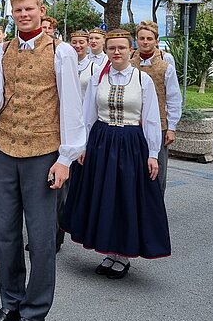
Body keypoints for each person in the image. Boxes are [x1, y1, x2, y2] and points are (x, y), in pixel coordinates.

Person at [0, 0, 86, 321]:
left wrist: (66, 157)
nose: (23, 14)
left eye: (29, 9)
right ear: (11, 12)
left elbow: (71, 107)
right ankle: (10, 302)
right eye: (18, 9)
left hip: (43, 153)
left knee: (39, 238)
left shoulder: (61, 51)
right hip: (4, 148)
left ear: (41, 10)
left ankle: (35, 312)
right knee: (5, 233)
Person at [62, 29, 171, 280]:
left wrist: (153, 152)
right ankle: (110, 251)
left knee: (125, 198)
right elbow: (87, 115)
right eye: (112, 48)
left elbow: (151, 118)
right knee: (104, 197)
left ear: (130, 49)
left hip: (131, 142)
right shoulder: (98, 79)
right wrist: (83, 146)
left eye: (122, 47)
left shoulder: (142, 80)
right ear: (106, 50)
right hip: (101, 141)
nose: (117, 52)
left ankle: (123, 254)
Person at [131, 21, 181, 194]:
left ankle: (156, 208)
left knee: (156, 169)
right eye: (142, 38)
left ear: (156, 40)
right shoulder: (130, 62)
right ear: (136, 40)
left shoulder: (165, 63)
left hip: (159, 124)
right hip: (133, 124)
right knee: (135, 168)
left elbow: (173, 97)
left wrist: (172, 127)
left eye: (149, 39)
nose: (145, 42)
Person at [69, 30, 96, 99]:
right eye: (74, 43)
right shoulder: (65, 66)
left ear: (88, 44)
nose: (77, 46)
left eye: (81, 42)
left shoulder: (94, 68)